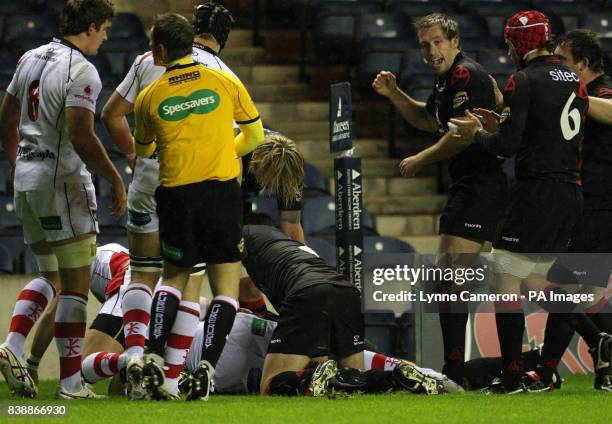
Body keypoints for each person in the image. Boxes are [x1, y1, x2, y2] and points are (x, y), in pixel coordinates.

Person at [100, 1, 239, 401]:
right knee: (189, 284)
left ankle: (136, 363)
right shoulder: (221, 75)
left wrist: (133, 154)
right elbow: (238, 139)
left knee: (142, 274)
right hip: (195, 187)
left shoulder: (147, 60)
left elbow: (111, 114)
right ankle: (172, 377)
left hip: (147, 182)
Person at [450, 10, 588, 394]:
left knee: (504, 279)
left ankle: (511, 375)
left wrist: (478, 133)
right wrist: (505, 125)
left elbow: (507, 148)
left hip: (536, 194)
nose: (508, 50)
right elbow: (548, 132)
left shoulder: (522, 80)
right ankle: (590, 342)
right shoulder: (573, 78)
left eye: (510, 42)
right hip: (571, 193)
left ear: (518, 43)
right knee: (546, 280)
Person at [132, 13, 264, 401]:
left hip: (176, 195)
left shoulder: (149, 97)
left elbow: (145, 151)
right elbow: (254, 135)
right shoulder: (226, 81)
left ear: (159, 50)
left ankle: (153, 356)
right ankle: (205, 367)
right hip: (221, 192)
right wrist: (225, 149)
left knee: (173, 277)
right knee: (226, 288)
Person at [372, 13, 507, 387]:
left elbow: (463, 134)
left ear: (455, 42)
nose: (431, 51)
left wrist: (421, 158)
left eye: (437, 42)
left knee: (450, 278)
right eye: (424, 44)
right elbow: (427, 119)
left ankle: (455, 372)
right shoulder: (446, 81)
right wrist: (395, 94)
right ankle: (476, 368)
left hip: (481, 185)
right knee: (474, 277)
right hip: (473, 185)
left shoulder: (466, 75)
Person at [0, 0, 126, 399]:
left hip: (27, 181)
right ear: (90, 26)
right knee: (73, 286)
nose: (106, 38)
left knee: (50, 276)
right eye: (104, 29)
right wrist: (115, 179)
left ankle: (13, 346)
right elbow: (81, 134)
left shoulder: (30, 57)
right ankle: (72, 384)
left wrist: (15, 163)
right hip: (62, 185)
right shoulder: (82, 70)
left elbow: (6, 115)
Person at [533, 29, 612, 392]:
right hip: (582, 204)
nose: (558, 67)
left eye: (563, 61)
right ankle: (559, 368)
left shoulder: (600, 90)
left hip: (598, 207)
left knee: (550, 287)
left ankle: (590, 352)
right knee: (570, 292)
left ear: (582, 64)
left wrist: (576, 95)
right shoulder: (574, 96)